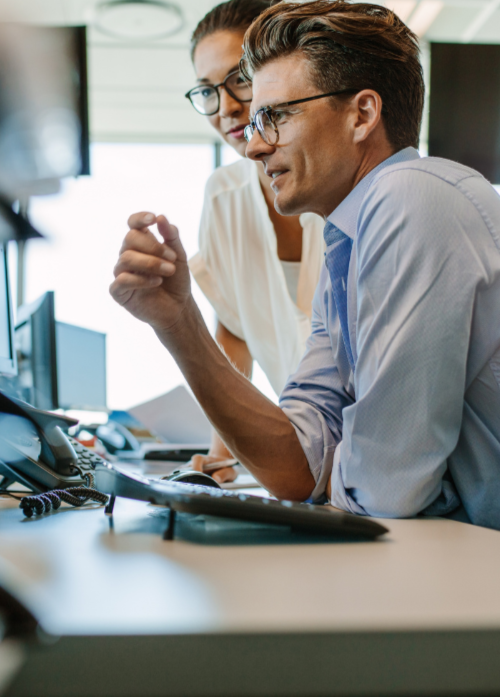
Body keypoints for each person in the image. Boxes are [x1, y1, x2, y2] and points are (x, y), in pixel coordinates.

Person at [110, 1, 500, 547]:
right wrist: (178, 323)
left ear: (362, 114)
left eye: (277, 116)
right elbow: (295, 469)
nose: (255, 143)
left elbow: (383, 489)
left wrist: (333, 468)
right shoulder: (346, 248)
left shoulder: (412, 197)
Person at [185, 0, 325, 482]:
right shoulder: (223, 197)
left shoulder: (343, 182)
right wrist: (221, 453)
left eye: (240, 78)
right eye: (207, 91)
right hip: (306, 459)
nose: (226, 108)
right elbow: (234, 328)